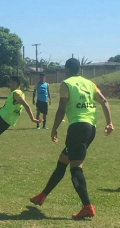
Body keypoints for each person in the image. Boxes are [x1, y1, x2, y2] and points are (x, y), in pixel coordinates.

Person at [29, 58, 113, 219]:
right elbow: (104, 100)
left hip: (77, 129)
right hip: (90, 128)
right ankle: (42, 196)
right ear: (79, 69)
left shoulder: (66, 84)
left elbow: (61, 109)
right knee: (62, 162)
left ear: (67, 70)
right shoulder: (89, 83)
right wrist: (109, 123)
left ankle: (87, 206)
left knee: (75, 168)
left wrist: (53, 129)